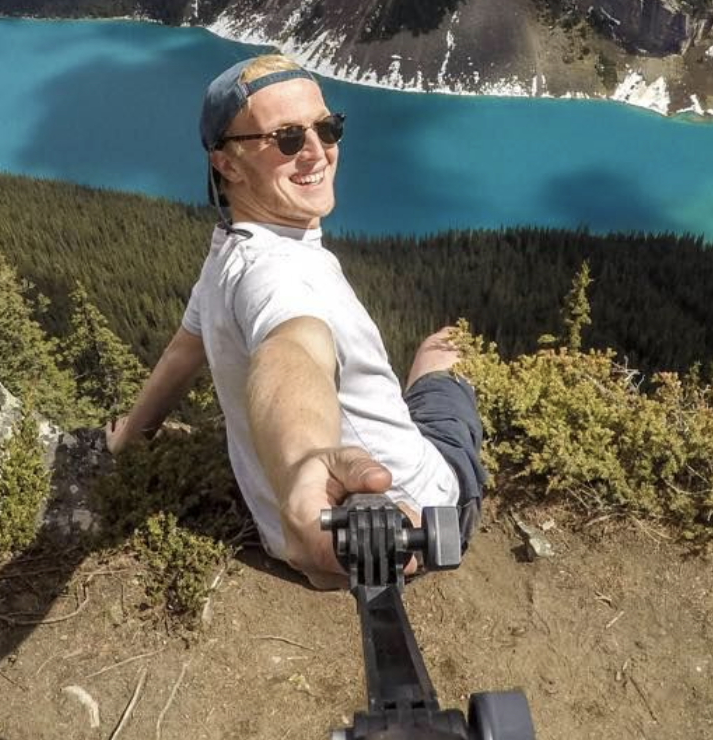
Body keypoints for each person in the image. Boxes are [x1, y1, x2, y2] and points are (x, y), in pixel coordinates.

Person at [105, 52, 484, 587]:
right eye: (285, 138)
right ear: (226, 163)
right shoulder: (279, 276)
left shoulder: (229, 253)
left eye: (327, 128)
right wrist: (309, 465)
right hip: (414, 522)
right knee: (446, 350)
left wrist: (129, 440)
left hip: (295, 535)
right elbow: (293, 345)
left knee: (417, 370)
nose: (316, 153)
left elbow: (182, 350)